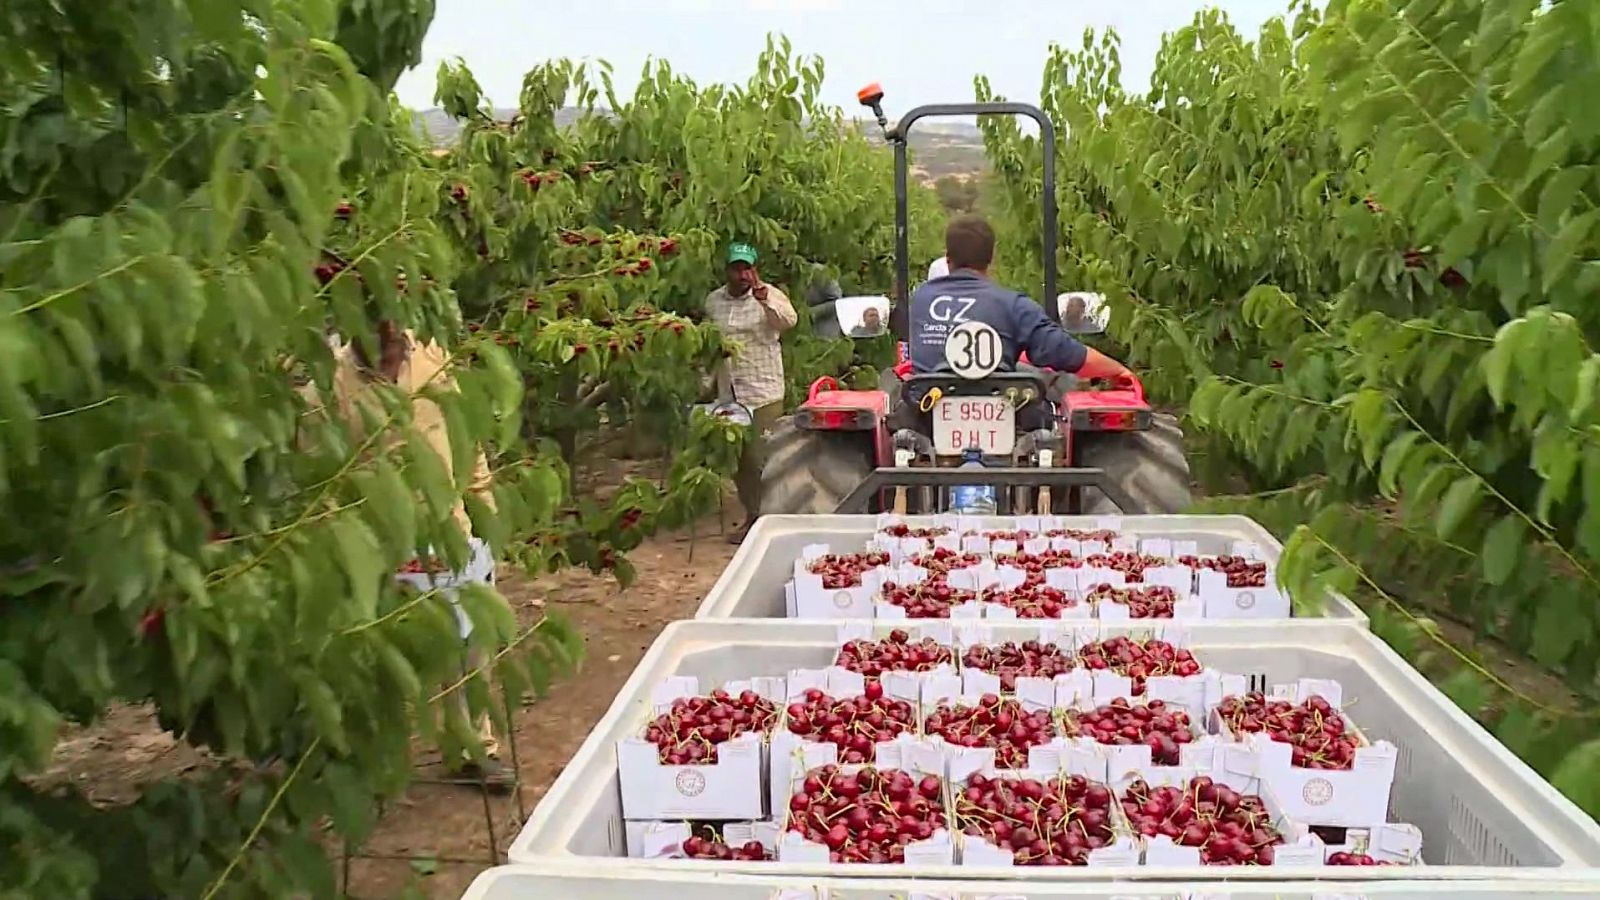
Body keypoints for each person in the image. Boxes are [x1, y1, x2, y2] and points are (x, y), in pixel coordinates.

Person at [323, 320, 515, 791]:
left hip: (447, 529)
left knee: (468, 644)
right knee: (379, 654)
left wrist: (484, 509)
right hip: (375, 540)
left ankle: (474, 749)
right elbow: (319, 469)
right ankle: (368, 758)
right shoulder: (327, 380)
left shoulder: (433, 356)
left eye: (391, 323)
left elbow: (465, 438)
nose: (388, 336)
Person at [909, 215, 1133, 382]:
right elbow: (1070, 355)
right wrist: (1119, 371)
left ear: (948, 259)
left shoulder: (919, 299)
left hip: (926, 408)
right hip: (1000, 404)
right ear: (991, 259)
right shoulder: (1013, 305)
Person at [704, 241, 797, 543]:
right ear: (727, 270)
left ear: (755, 271)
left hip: (763, 391)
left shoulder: (769, 295)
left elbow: (788, 321)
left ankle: (771, 519)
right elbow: (710, 341)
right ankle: (753, 516)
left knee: (762, 458)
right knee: (739, 458)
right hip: (729, 392)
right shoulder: (713, 301)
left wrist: (765, 300)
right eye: (737, 268)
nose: (742, 275)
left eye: (748, 268)